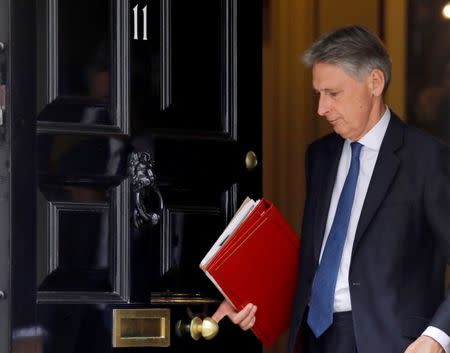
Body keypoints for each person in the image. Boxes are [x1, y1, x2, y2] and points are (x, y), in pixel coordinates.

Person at [212, 25, 450, 353]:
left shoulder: (428, 159)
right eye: (318, 94)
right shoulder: (320, 155)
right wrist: (249, 298)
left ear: (375, 83)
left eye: (333, 94)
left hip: (394, 343)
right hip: (314, 338)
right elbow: (315, 261)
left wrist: (437, 337)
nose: (321, 109)